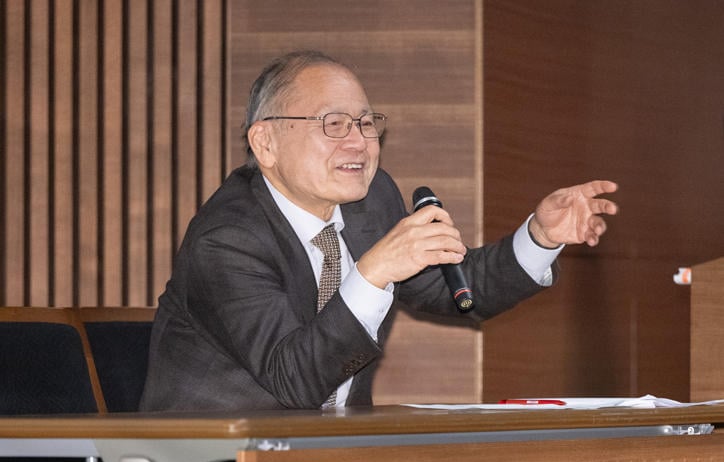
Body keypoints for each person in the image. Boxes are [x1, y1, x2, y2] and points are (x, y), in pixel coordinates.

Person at [140, 50, 618, 412]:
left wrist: (540, 236)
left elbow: (458, 291)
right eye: (334, 124)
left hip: (328, 456)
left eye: (366, 123)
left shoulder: (371, 201)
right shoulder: (227, 239)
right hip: (218, 461)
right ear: (265, 142)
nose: (359, 142)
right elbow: (294, 380)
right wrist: (371, 274)